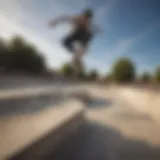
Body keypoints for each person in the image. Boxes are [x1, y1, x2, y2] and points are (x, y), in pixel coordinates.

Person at [49, 8, 102, 75]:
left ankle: (82, 50)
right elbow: (65, 18)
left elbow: (95, 27)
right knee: (64, 42)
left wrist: (99, 31)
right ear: (84, 16)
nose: (86, 21)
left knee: (90, 34)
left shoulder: (89, 23)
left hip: (83, 36)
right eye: (86, 18)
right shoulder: (77, 18)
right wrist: (55, 21)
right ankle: (75, 53)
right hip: (73, 34)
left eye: (88, 19)